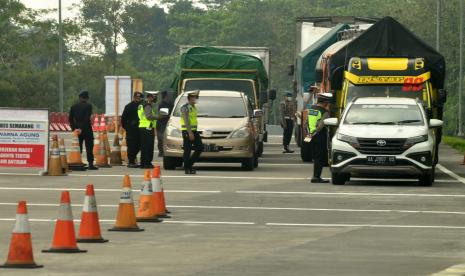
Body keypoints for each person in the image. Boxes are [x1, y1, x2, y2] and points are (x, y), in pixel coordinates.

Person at [307, 93, 333, 183]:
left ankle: (316, 176)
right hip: (319, 136)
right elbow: (322, 125)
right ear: (325, 102)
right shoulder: (324, 112)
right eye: (328, 102)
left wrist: (310, 133)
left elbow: (306, 122)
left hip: (310, 135)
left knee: (315, 156)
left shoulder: (311, 109)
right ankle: (316, 177)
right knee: (320, 157)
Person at [68, 90, 98, 170]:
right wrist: (81, 128)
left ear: (79, 97)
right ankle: (90, 164)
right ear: (87, 98)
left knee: (78, 147)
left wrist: (74, 128)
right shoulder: (88, 106)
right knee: (89, 146)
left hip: (77, 129)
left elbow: (70, 119)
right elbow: (86, 118)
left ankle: (77, 162)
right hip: (86, 128)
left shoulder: (73, 107)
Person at [181, 90, 203, 175]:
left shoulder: (193, 107)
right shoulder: (185, 107)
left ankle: (188, 164)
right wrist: (190, 133)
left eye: (196, 97)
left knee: (200, 147)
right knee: (187, 150)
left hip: (194, 130)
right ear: (190, 98)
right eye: (194, 97)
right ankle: (187, 168)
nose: (196, 99)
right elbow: (186, 121)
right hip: (187, 131)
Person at [121, 91, 143, 168]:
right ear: (134, 97)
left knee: (139, 145)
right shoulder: (128, 106)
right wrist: (127, 127)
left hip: (140, 129)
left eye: (139, 97)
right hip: (131, 130)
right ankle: (131, 162)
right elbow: (123, 119)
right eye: (137, 97)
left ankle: (134, 160)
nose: (138, 98)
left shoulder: (142, 106)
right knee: (131, 146)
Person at [138, 91, 159, 169]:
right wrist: (158, 117)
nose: (155, 98)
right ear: (150, 97)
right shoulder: (147, 105)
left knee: (144, 147)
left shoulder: (141, 104)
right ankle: (147, 163)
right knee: (149, 147)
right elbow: (149, 117)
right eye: (154, 96)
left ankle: (143, 163)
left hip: (143, 127)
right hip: (147, 128)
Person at [157, 91, 173, 157]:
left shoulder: (169, 104)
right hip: (162, 123)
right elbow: (164, 115)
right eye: (168, 96)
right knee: (161, 138)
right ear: (165, 96)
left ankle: (162, 151)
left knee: (163, 138)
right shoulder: (163, 104)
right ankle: (161, 152)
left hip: (165, 123)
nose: (169, 97)